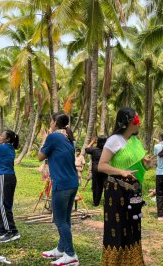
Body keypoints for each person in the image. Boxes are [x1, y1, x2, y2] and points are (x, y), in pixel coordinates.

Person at [98, 107, 153, 266]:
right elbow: (101, 166)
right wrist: (121, 171)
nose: (139, 122)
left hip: (133, 190)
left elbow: (139, 166)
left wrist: (146, 164)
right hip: (117, 190)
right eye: (136, 119)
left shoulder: (135, 141)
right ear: (128, 122)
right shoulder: (114, 140)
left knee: (133, 227)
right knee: (117, 228)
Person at [39, 112, 79, 266]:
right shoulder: (67, 138)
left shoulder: (54, 136)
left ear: (55, 122)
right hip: (72, 183)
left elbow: (40, 157)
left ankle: (71, 255)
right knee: (65, 219)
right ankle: (61, 249)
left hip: (61, 184)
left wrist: (44, 139)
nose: (50, 122)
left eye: (51, 120)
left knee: (59, 220)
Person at [84, 136, 108, 206]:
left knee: (96, 186)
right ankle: (107, 202)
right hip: (105, 169)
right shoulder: (107, 151)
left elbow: (86, 149)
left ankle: (96, 202)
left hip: (96, 169)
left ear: (98, 142)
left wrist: (92, 142)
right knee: (106, 186)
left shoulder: (94, 150)